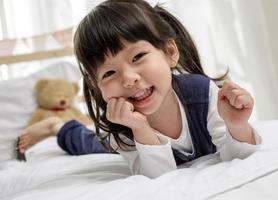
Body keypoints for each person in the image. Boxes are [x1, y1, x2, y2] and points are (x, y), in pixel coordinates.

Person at [18, 0, 261, 178]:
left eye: (138, 57)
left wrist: (237, 126)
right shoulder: (120, 122)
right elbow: (158, 178)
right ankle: (59, 126)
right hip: (125, 128)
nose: (129, 79)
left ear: (170, 52)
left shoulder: (201, 93)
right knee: (90, 142)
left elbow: (238, 157)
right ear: (97, 85)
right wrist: (140, 128)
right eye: (109, 73)